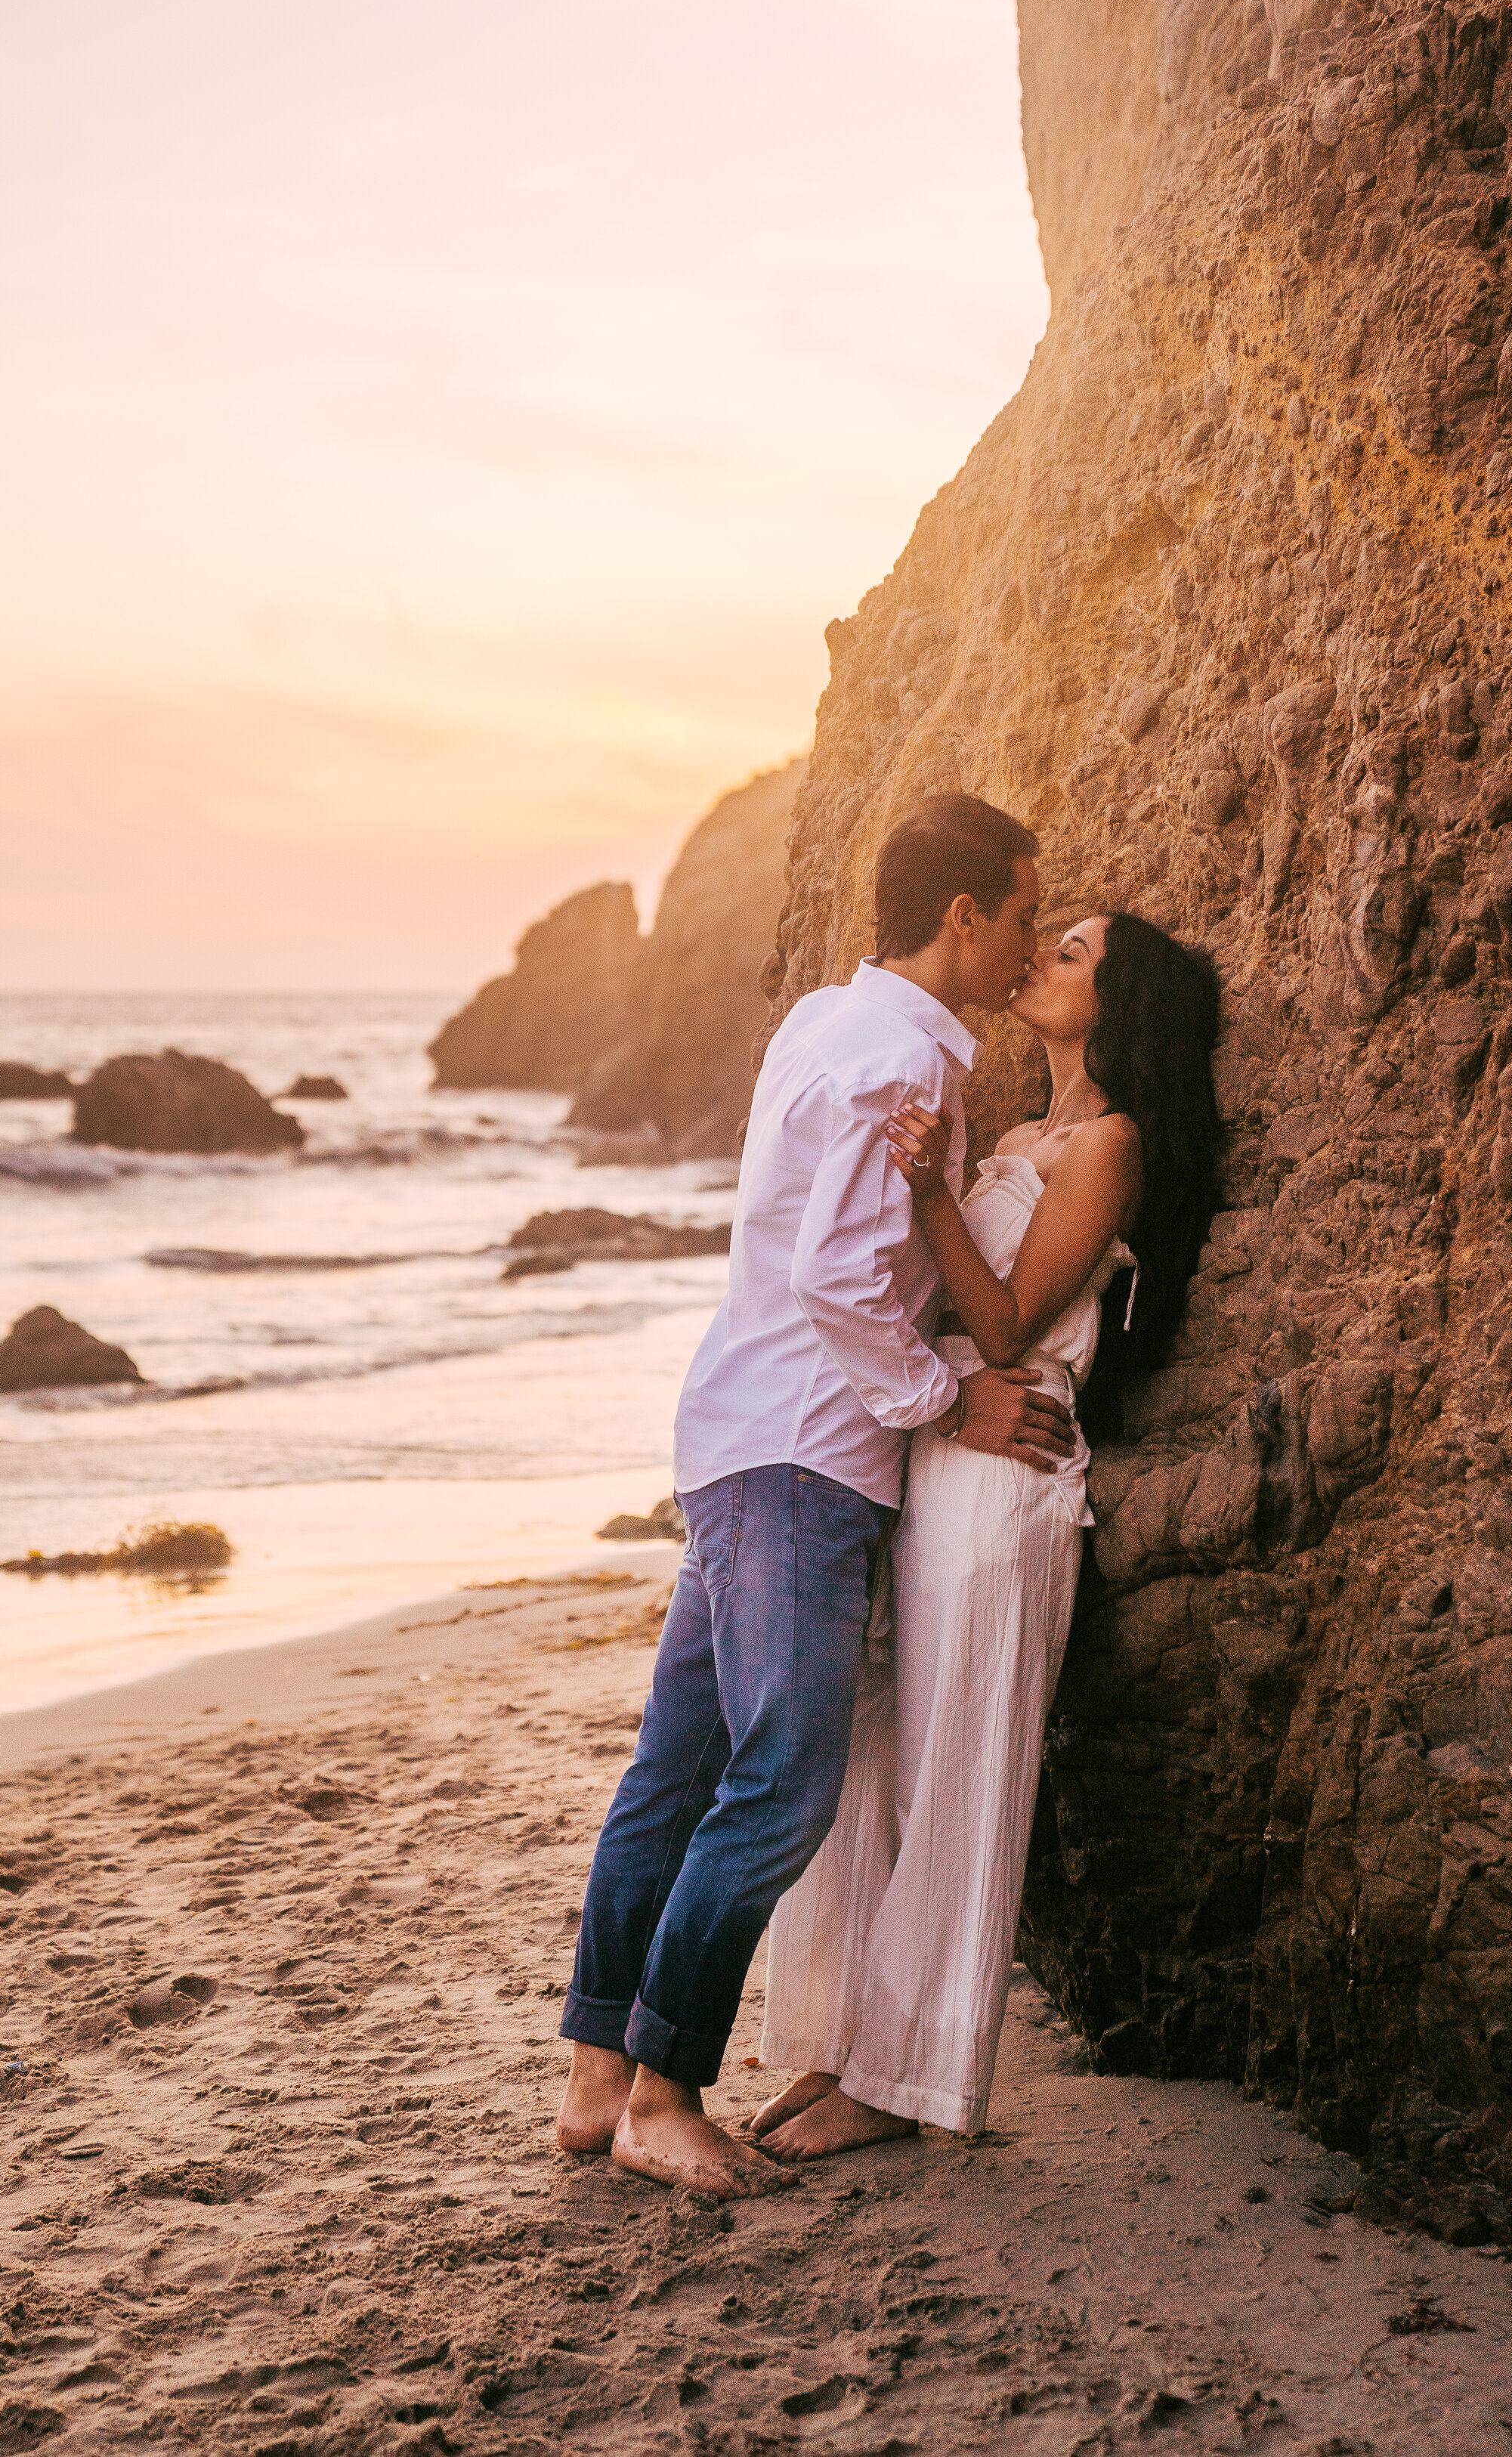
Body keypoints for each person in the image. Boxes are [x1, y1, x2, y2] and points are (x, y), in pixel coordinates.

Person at [553, 793, 1082, 2199]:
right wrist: (943, 1396)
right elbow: (840, 1277)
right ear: (962, 916)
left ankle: (598, 2072)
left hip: (737, 1430)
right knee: (781, 1786)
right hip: (800, 1455)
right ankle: (666, 2090)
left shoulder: (818, 1023)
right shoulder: (903, 1054)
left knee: (675, 1769)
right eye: (1025, 908)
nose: (1033, 934)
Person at [745, 908, 1223, 2160]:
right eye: (1048, 937)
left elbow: (1007, 1323)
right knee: (871, 1743)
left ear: (1116, 1006)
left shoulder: (1111, 1146)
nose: (1042, 958)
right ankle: (847, 2038)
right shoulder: (1021, 1132)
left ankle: (909, 2076)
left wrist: (927, 1189)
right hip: (937, 1444)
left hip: (1005, 1457)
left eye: (1073, 955)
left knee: (964, 1762)